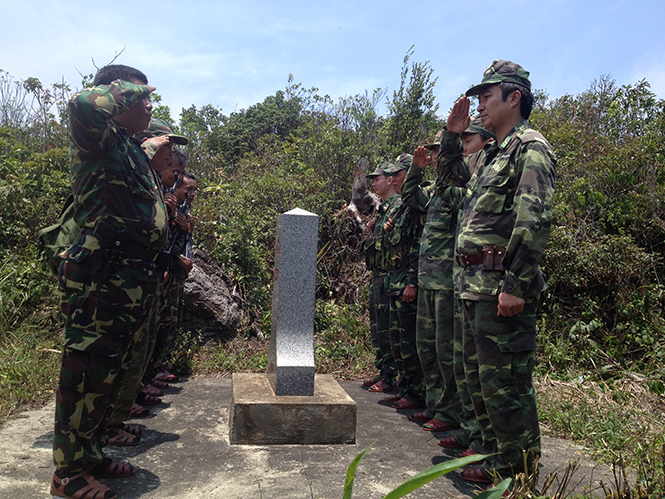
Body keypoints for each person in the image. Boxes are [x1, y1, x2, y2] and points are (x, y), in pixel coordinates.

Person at [436, 60, 556, 484]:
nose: (478, 104)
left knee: (507, 385)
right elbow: (449, 180)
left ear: (514, 97)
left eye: (486, 96)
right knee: (480, 382)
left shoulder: (531, 146)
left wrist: (515, 285)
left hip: (500, 288)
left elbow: (533, 218)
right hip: (473, 287)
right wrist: (452, 138)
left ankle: (518, 473)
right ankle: (493, 457)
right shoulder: (490, 154)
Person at [51, 64, 167, 499]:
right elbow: (82, 103)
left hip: (128, 278)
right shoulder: (95, 136)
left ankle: (90, 452)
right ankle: (67, 473)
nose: (150, 104)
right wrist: (134, 86)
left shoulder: (124, 145)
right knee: (86, 371)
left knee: (110, 373)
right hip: (102, 276)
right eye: (143, 99)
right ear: (118, 96)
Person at [403, 121, 495, 436]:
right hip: (429, 280)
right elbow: (411, 197)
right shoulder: (438, 191)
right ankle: (435, 406)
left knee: (448, 355)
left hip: (449, 282)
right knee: (427, 350)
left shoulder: (470, 185)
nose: (441, 157)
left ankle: (451, 413)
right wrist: (416, 170)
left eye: (451, 149)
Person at [382, 154, 426, 410]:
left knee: (410, 343)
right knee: (399, 341)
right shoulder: (400, 207)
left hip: (407, 282)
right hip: (395, 281)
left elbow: (418, 245)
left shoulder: (416, 203)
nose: (393, 178)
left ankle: (415, 392)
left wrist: (412, 281)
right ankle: (406, 387)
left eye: (398, 173)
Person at [362, 161, 400, 393]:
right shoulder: (384, 209)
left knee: (389, 331)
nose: (374, 183)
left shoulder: (398, 207)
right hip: (379, 276)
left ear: (390, 180)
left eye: (378, 178)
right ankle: (384, 372)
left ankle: (391, 376)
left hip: (391, 278)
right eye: (372, 179)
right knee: (378, 329)